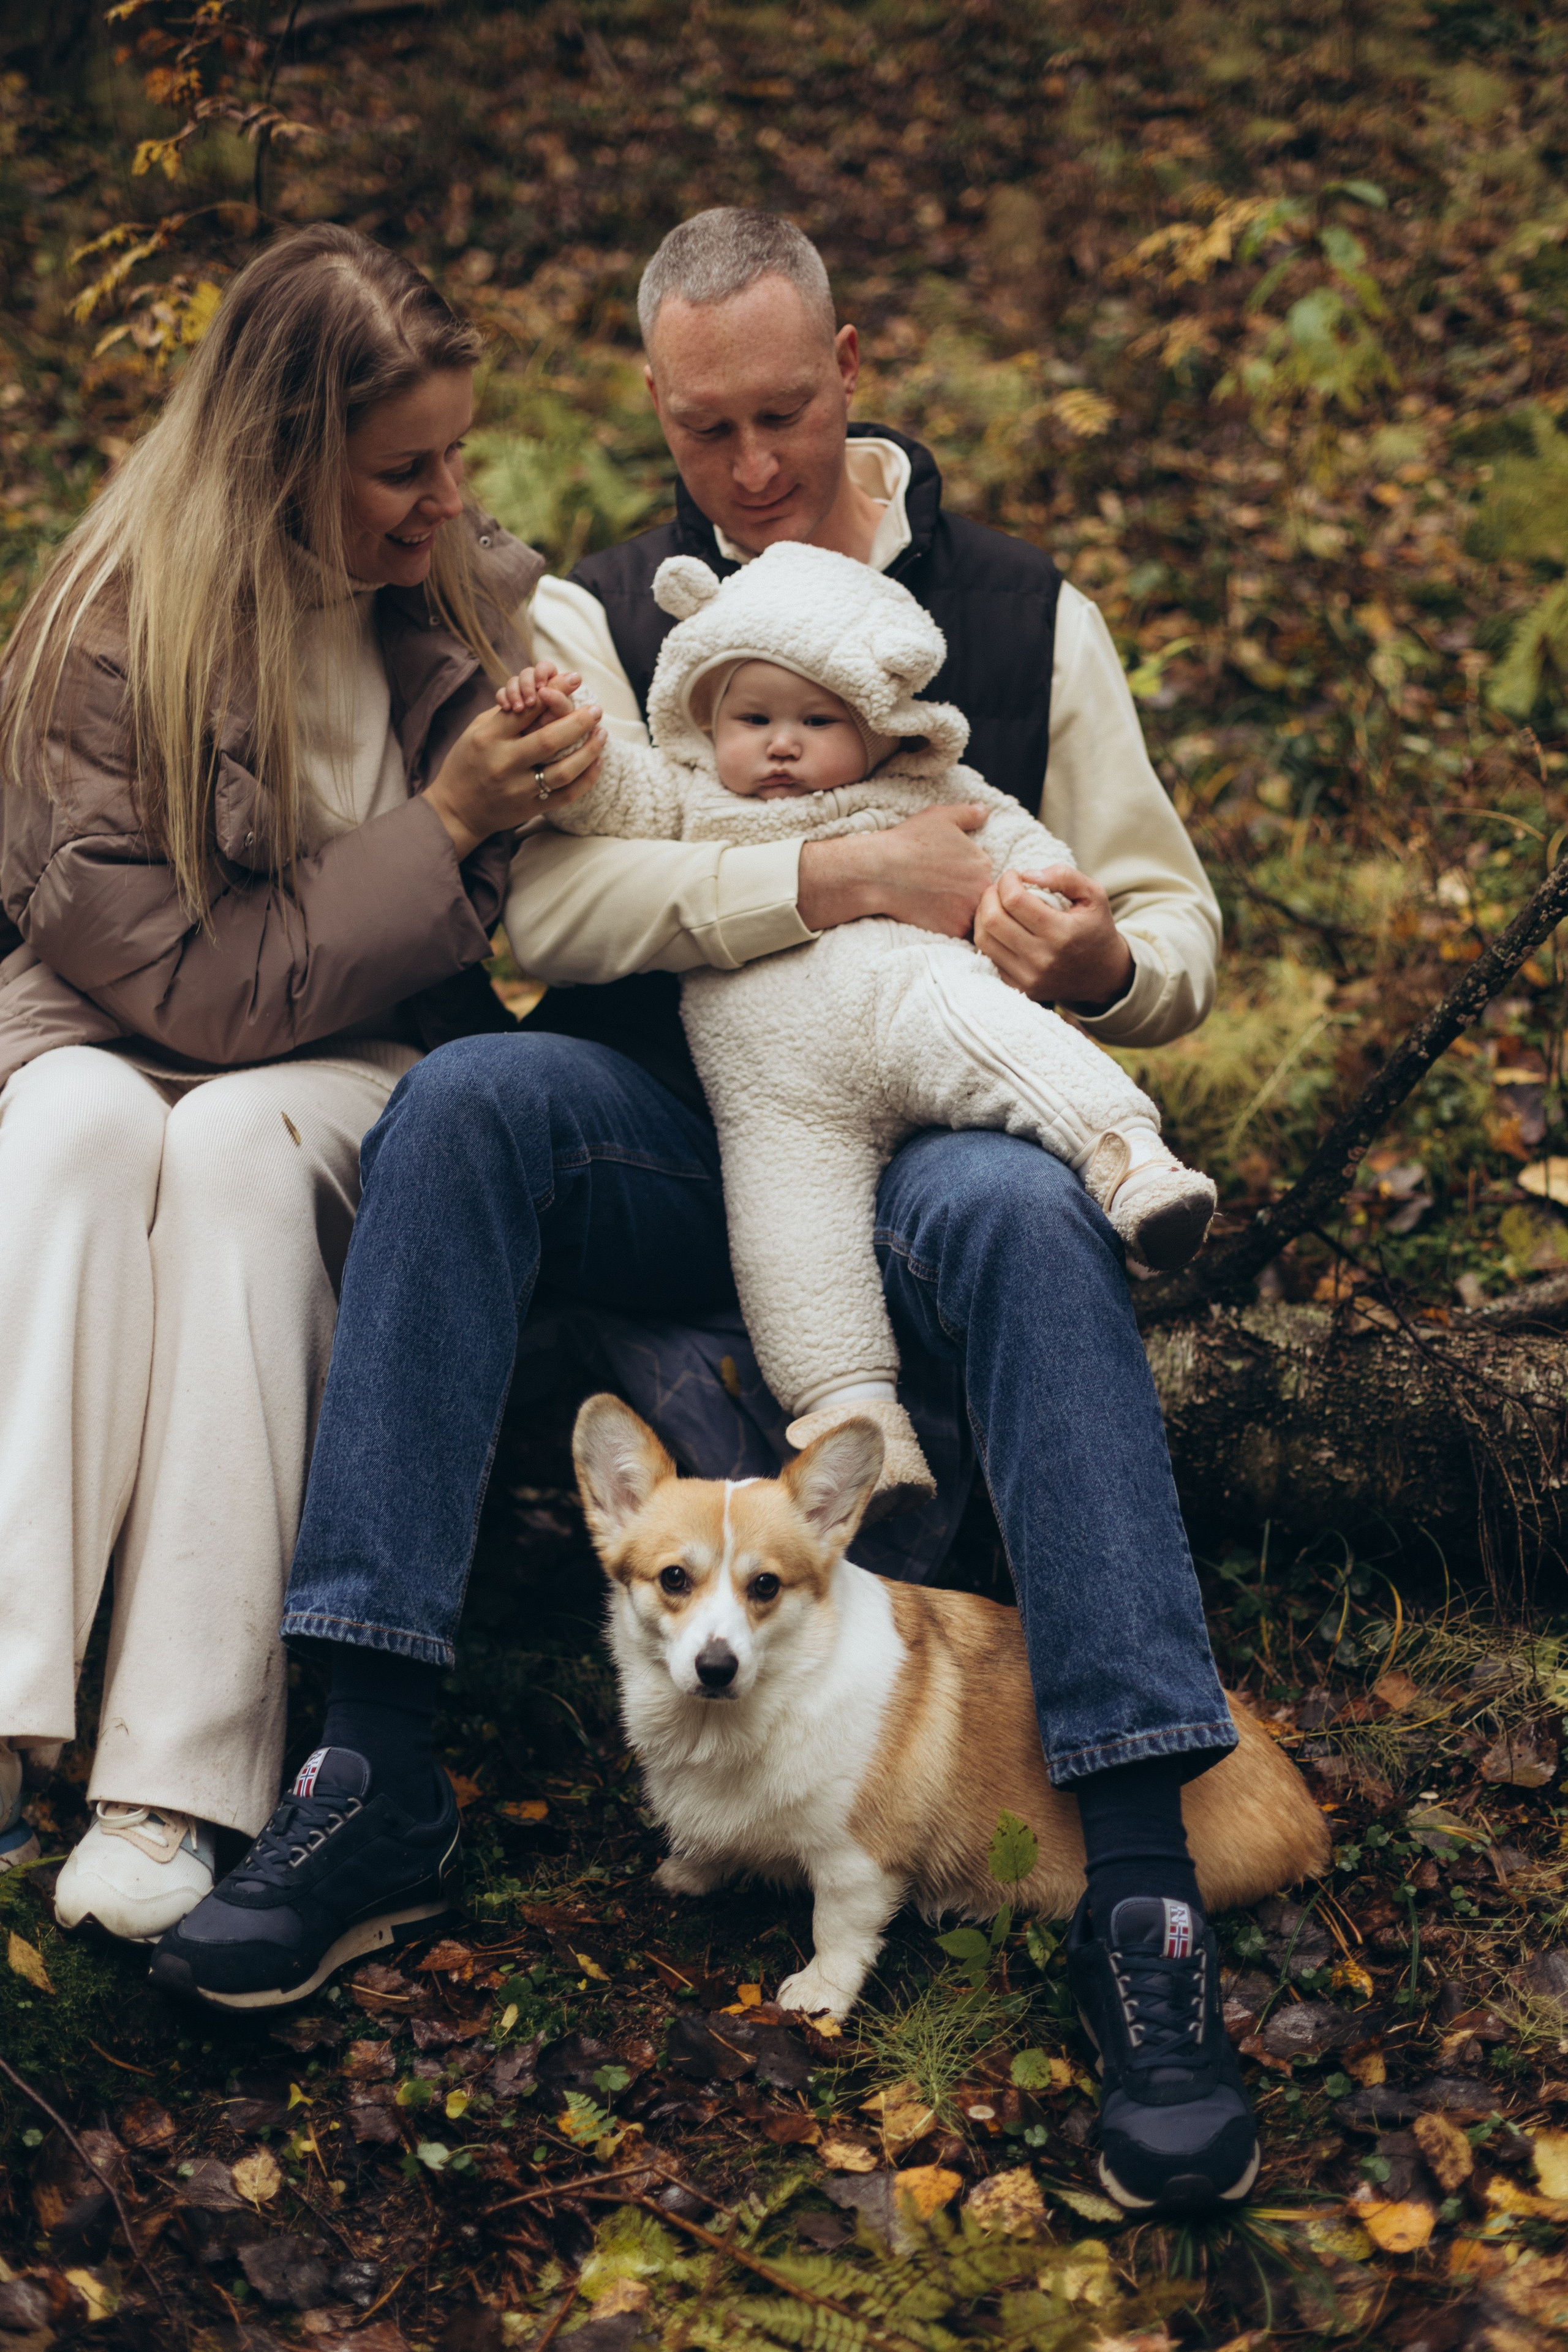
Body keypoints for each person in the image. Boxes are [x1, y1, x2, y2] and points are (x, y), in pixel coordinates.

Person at [157, 211, 1260, 2219]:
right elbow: (555, 909)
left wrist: (1096, 967)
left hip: (939, 1142)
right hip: (671, 1135)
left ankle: (1142, 1879)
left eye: (778, 414)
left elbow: (1176, 927)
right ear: (653, 411)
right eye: (702, 432)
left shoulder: (1020, 621)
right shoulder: (583, 614)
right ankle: (370, 1758)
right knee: (477, 1095)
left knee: (1024, 1216)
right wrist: (838, 883)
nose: (748, 471)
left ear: (856, 363)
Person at [0, 225, 601, 1944]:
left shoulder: (462, 600)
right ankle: (5, 1713)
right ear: (279, 459)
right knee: (78, 1123)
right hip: (119, 1032)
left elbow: (556, 869)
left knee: (248, 1147)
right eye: (401, 468)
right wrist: (450, 823)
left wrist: (526, 784)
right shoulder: (107, 644)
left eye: (455, 458)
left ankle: (174, 1784)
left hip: (345, 1066)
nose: (444, 501)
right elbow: (191, 985)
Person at [502, 539, 1216, 1512]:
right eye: (752, 719)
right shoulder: (697, 794)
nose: (781, 744)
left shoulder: (926, 789)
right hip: (774, 1092)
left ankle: (1130, 1160)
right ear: (709, 721)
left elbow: (1027, 852)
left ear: (880, 727)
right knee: (790, 1251)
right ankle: (856, 1421)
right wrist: (561, 736)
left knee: (1002, 1041)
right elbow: (605, 796)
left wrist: (1060, 917)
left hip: (909, 1007)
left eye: (816, 719)